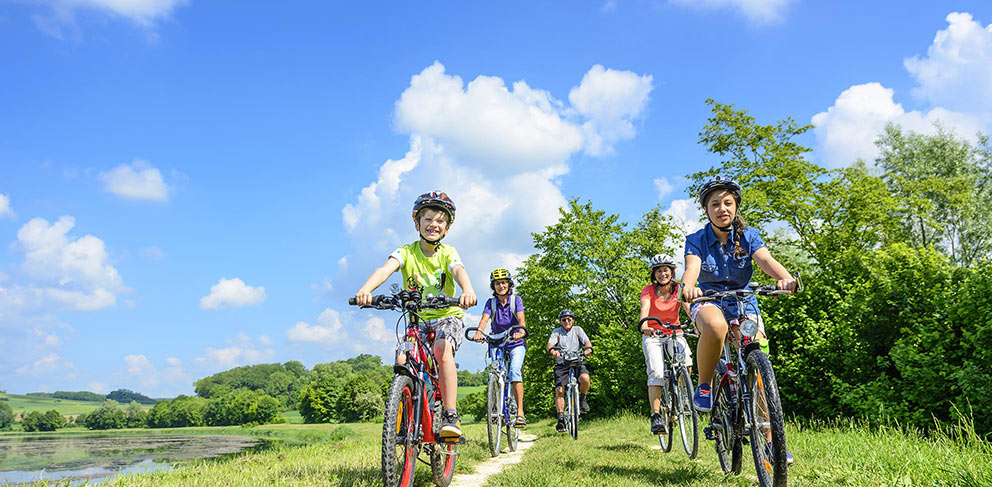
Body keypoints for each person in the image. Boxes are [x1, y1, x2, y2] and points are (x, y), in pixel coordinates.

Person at [680, 176, 797, 464]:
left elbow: (766, 261)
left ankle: (771, 446)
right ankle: (705, 385)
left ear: (736, 207)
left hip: (743, 301)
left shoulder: (748, 236)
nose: (722, 209)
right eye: (715, 204)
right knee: (717, 326)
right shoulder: (696, 240)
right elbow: (691, 270)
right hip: (706, 300)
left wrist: (785, 278)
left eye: (728, 203)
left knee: (759, 374)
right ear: (706, 210)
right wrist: (689, 287)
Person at [354, 190, 477, 439]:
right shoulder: (406, 252)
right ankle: (403, 418)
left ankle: (451, 414)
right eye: (428, 218)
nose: (433, 224)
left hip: (447, 316)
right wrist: (366, 290)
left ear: (447, 228)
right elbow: (385, 269)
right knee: (402, 359)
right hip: (415, 318)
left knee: (442, 351)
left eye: (440, 220)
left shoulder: (448, 253)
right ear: (416, 222)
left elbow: (458, 270)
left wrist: (468, 289)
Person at [639, 254, 692, 435]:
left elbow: (688, 308)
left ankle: (683, 396)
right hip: (653, 334)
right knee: (657, 372)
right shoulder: (648, 290)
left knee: (686, 360)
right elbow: (644, 309)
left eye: (666, 270)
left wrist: (698, 324)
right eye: (659, 270)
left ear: (671, 272)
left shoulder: (679, 289)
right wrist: (645, 325)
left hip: (675, 333)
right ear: (654, 274)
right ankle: (656, 416)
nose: (663, 273)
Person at [472, 268, 528, 426]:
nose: (501, 286)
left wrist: (521, 331)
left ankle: (520, 413)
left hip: (515, 342)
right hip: (497, 341)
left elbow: (521, 318)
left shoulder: (516, 300)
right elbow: (484, 320)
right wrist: (479, 332)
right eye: (497, 283)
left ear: (509, 284)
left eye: (504, 282)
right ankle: (497, 408)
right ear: (493, 286)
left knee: (514, 371)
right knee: (496, 372)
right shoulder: (491, 303)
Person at [546, 309, 593, 432]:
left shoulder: (578, 330)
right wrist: (553, 351)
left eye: (569, 319)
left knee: (585, 379)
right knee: (559, 390)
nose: (567, 321)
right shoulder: (557, 332)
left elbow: (587, 341)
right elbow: (550, 344)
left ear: (573, 320)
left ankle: (582, 399)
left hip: (577, 361)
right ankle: (561, 419)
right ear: (560, 321)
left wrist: (588, 349)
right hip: (562, 363)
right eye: (564, 319)